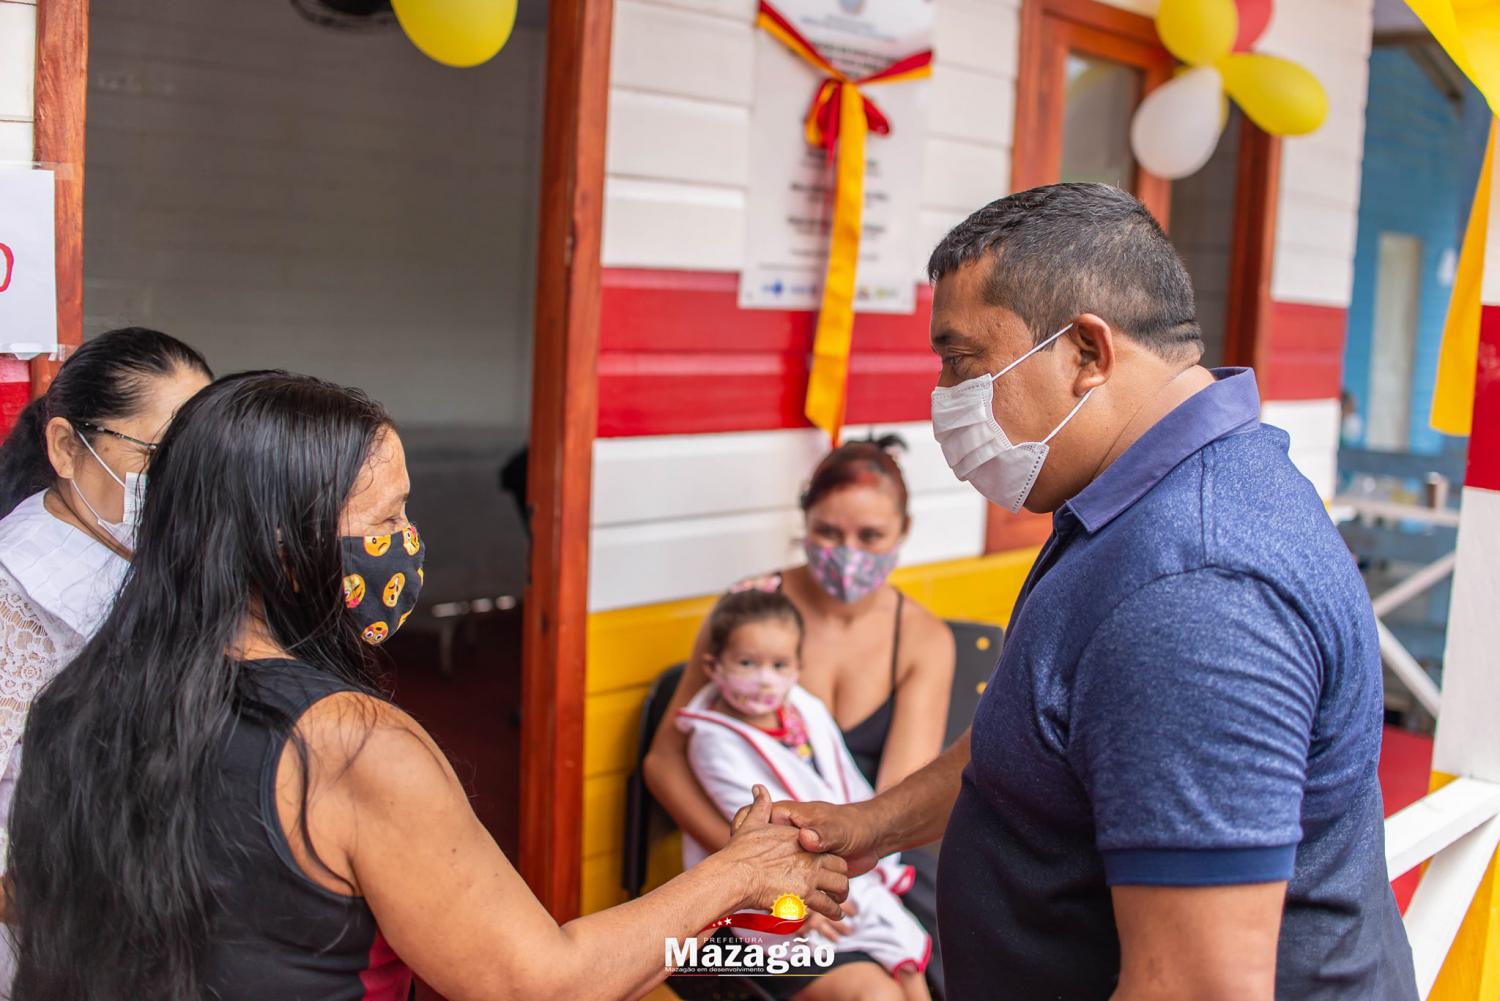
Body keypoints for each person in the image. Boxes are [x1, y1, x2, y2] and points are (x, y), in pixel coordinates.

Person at [762, 184, 1419, 1000]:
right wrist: (871, 825)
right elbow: (1044, 736)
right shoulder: (1141, 501)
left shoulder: (1191, 591)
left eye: (963, 361)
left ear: (1086, 353)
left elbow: (1193, 988)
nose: (944, 398)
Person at [7, 371, 848, 1001]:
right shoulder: (349, 746)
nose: (409, 544)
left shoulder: (73, 701)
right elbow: (540, 985)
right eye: (386, 520)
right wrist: (738, 874)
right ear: (284, 543)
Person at [645, 435, 956, 998]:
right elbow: (664, 763)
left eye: (870, 536)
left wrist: (826, 880)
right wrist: (750, 873)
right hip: (743, 882)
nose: (848, 552)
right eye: (828, 532)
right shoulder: (749, 609)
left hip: (871, 867)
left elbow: (897, 804)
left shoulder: (922, 639)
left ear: (903, 531)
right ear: (805, 522)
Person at [0, 326, 211, 863]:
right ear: (66, 448)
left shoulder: (149, 553)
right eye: (160, 454)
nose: (185, 481)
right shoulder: (13, 590)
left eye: (200, 458)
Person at [679, 589, 930, 1001]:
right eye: (747, 663)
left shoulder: (802, 709)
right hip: (772, 896)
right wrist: (802, 899)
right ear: (713, 666)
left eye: (779, 665)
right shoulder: (713, 743)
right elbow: (763, 834)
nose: (765, 678)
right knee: (880, 990)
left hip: (839, 872)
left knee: (908, 964)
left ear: (798, 668)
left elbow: (844, 781)